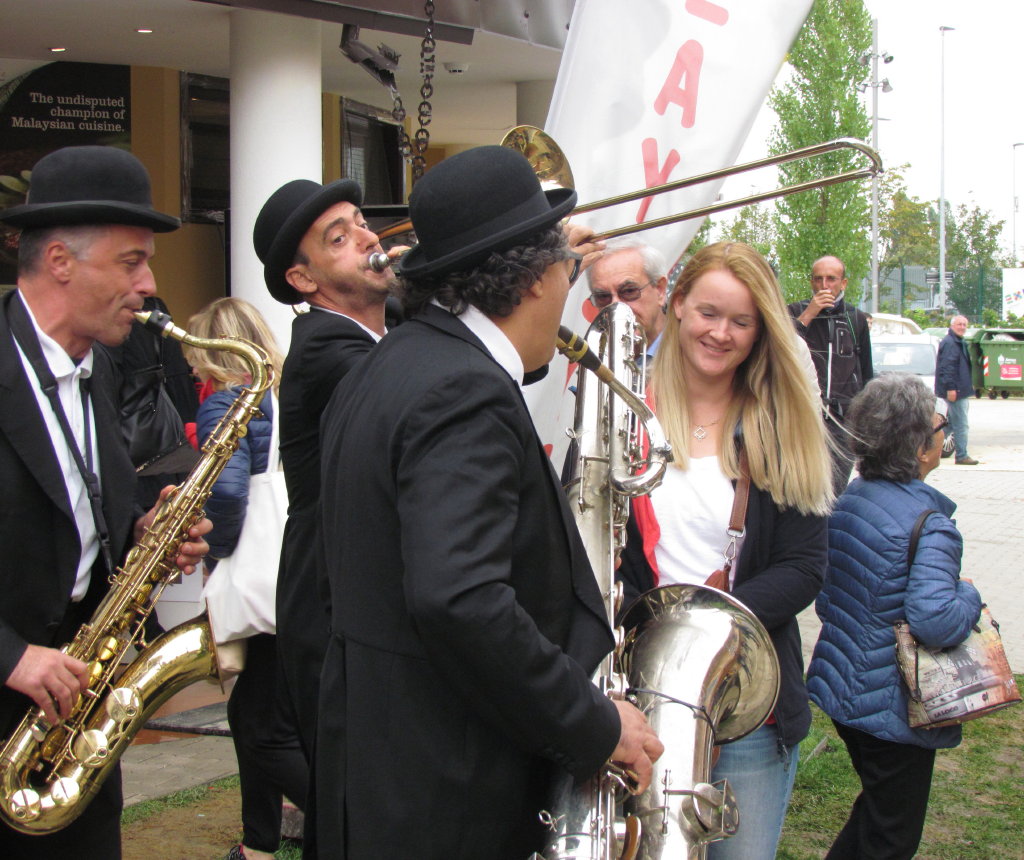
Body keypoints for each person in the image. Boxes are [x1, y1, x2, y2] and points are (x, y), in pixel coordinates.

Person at [314, 145, 663, 858]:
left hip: (384, 779)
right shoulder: (461, 388)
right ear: (537, 276)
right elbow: (459, 599)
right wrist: (594, 723)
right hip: (448, 798)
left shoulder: (390, 363)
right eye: (568, 270)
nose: (570, 288)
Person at [0, 145, 211, 860]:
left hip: (77, 723)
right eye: (132, 262)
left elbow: (78, 521)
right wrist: (10, 657)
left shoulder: (98, 371)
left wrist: (144, 538)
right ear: (60, 260)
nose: (150, 286)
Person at [618, 241, 833, 860]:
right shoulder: (626, 411)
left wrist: (701, 632)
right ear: (677, 303)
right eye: (709, 312)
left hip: (745, 708)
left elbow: (803, 567)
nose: (721, 332)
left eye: (741, 321)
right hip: (638, 698)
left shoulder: (781, 420)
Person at [251, 177, 403, 760]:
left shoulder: (386, 328)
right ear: (304, 280)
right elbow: (417, 387)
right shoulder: (324, 345)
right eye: (339, 238)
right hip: (334, 603)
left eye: (361, 222)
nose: (367, 238)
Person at [806, 373, 982, 859]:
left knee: (878, 812)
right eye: (938, 426)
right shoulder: (932, 527)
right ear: (921, 449)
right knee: (892, 837)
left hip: (845, 691)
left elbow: (830, 595)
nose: (944, 433)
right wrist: (971, 598)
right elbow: (935, 620)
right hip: (894, 708)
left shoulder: (850, 500)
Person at [183, 298, 306, 860]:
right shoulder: (288, 395)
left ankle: (351, 819)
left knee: (258, 724)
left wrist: (219, 551)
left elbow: (228, 493)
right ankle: (257, 843)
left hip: (257, 579)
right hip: (296, 571)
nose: (190, 365)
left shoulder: (227, 402)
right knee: (265, 714)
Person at [788, 255, 873, 495]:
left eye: (831, 279)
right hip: (803, 416)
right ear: (811, 282)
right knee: (803, 487)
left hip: (842, 419)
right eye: (818, 279)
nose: (824, 285)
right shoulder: (794, 312)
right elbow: (782, 350)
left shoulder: (855, 318)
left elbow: (866, 371)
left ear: (843, 283)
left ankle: (829, 532)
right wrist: (809, 314)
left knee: (834, 490)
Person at [586, 238, 669, 361]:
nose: (615, 307)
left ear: (660, 290)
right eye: (603, 297)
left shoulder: (694, 353)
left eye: (629, 291)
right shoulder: (596, 363)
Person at [935, 314, 978, 465]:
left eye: (964, 325)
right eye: (959, 324)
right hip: (956, 391)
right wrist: (951, 388)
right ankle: (961, 456)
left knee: (951, 424)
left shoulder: (959, 341)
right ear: (952, 326)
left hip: (961, 389)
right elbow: (947, 368)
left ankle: (924, 446)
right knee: (961, 424)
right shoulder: (950, 343)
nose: (962, 327)